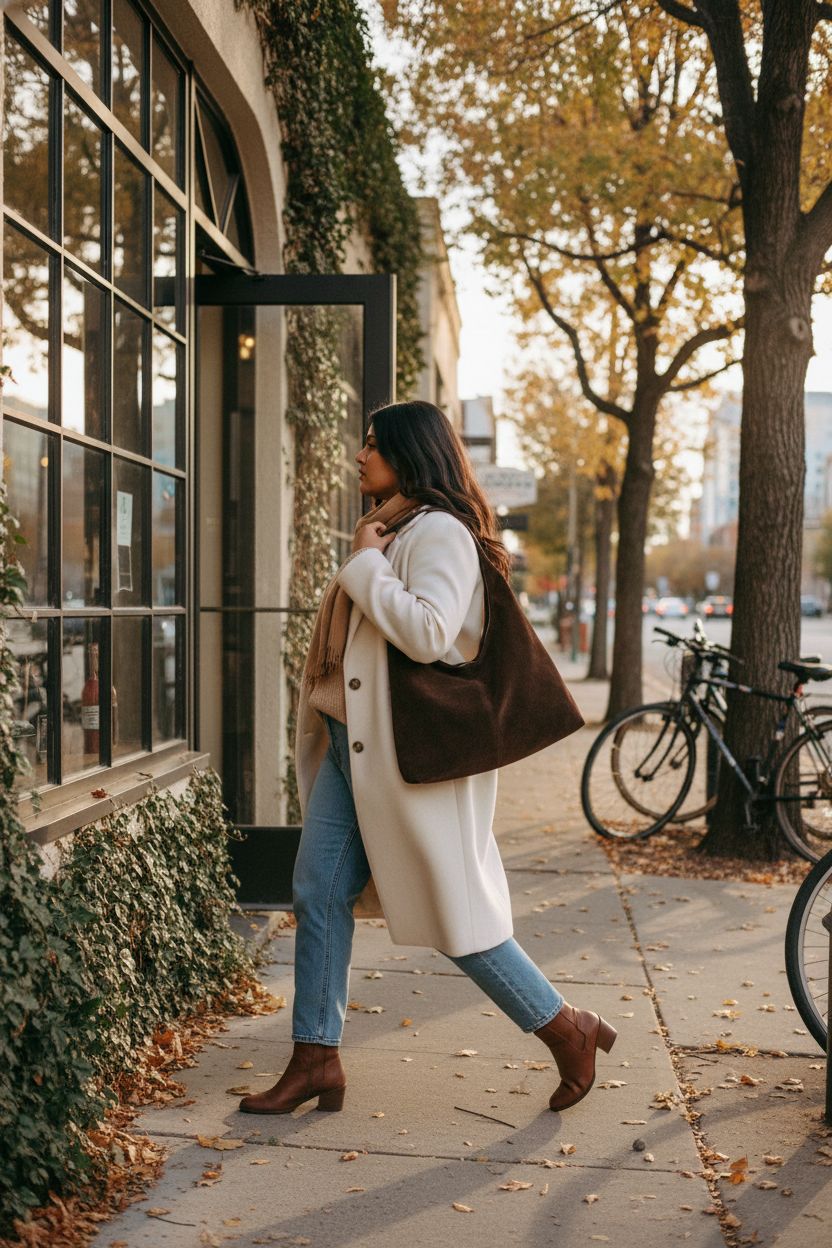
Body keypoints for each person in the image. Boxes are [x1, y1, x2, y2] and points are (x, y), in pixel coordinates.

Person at [239, 401, 616, 1118]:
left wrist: (364, 566)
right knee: (317, 894)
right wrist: (370, 558)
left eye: (375, 445)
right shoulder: (396, 526)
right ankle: (315, 1058)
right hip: (360, 751)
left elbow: (430, 631)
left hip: (409, 760)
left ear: (411, 456)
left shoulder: (437, 532)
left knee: (455, 918)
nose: (359, 455)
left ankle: (568, 1029)